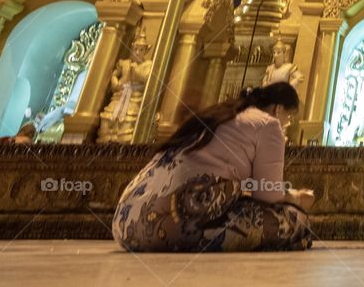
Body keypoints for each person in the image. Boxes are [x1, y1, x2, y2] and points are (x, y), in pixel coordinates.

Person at [112, 80, 314, 252]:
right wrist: (295, 197)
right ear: (277, 109)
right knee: (295, 220)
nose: (287, 123)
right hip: (165, 225)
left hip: (126, 222)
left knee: (233, 193)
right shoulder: (269, 124)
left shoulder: (220, 114)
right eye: (289, 117)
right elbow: (268, 195)